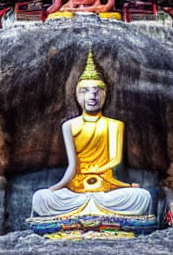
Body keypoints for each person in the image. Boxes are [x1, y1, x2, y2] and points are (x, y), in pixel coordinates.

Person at [30, 51, 152, 218]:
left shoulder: (114, 125)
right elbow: (72, 166)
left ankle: (87, 213)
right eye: (86, 90)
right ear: (78, 95)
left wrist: (124, 186)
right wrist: (55, 188)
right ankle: (96, 213)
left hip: (107, 189)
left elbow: (114, 161)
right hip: (76, 190)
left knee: (141, 197)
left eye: (97, 90)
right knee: (41, 198)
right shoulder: (69, 125)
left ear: (105, 94)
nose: (92, 95)